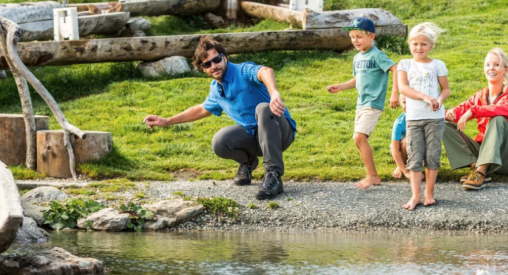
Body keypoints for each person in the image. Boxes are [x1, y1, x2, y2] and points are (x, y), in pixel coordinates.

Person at [143, 36, 296, 199]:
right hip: (256, 138)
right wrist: (166, 121)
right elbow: (202, 109)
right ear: (203, 69)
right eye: (207, 64)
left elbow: (265, 71)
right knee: (220, 141)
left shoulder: (242, 71)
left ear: (224, 57)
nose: (214, 66)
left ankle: (273, 175)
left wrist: (274, 94)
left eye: (216, 60)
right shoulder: (216, 89)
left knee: (264, 108)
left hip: (279, 133)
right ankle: (248, 162)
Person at [325, 17, 398, 189]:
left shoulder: (377, 55)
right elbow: (358, 79)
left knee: (360, 137)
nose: (355, 40)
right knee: (358, 140)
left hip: (373, 103)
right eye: (352, 37)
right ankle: (373, 176)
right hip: (361, 104)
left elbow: (395, 68)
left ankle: (372, 176)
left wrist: (394, 93)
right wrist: (341, 87)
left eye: (358, 36)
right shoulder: (357, 58)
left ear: (371, 36)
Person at [444, 48, 508, 190]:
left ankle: (480, 171)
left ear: (505, 70)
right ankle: (476, 166)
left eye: (496, 65)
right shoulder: (480, 95)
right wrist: (448, 113)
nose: (491, 68)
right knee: (444, 124)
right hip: (484, 152)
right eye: (488, 65)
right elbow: (460, 110)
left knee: (498, 119)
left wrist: (474, 110)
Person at [398, 22, 449, 209]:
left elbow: (446, 89)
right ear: (409, 44)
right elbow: (404, 88)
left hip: (435, 119)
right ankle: (415, 196)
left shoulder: (438, 64)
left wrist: (439, 100)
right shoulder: (404, 64)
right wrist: (425, 97)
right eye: (415, 44)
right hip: (413, 118)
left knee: (433, 156)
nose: (419, 48)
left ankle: (429, 193)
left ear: (431, 46)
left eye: (424, 44)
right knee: (415, 156)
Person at [390, 94, 413, 180]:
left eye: (410, 102)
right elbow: (394, 150)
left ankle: (415, 168)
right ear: (400, 103)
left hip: (417, 149)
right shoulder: (399, 122)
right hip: (400, 151)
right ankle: (401, 166)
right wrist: (405, 172)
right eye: (404, 102)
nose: (407, 106)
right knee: (406, 140)